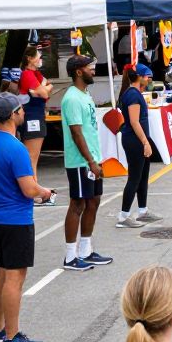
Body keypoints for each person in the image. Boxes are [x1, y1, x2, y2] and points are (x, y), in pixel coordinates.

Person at [0, 93, 55, 342]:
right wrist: (45, 192)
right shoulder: (16, 148)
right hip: (15, 218)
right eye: (21, 110)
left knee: (3, 272)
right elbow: (28, 189)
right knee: (15, 277)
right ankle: (12, 336)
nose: (24, 113)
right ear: (14, 114)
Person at [61, 55, 112, 272]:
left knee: (94, 201)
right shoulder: (72, 98)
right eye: (89, 67)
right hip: (80, 161)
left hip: (92, 158)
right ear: (78, 72)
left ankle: (86, 250)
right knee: (78, 204)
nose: (93, 69)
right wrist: (90, 161)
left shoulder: (85, 94)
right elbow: (76, 132)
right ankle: (70, 256)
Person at [116, 65, 161, 229]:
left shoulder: (132, 93)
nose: (149, 79)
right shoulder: (133, 95)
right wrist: (145, 142)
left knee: (142, 177)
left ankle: (142, 210)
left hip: (136, 139)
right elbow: (134, 121)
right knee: (134, 177)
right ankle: (123, 216)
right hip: (134, 141)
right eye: (147, 76)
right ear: (139, 77)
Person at [17, 45, 53, 199]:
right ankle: (32, 190)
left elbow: (48, 87)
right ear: (29, 59)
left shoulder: (36, 74)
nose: (41, 59)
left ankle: (34, 186)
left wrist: (43, 88)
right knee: (31, 155)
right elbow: (45, 91)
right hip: (32, 117)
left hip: (37, 116)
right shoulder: (26, 74)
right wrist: (43, 89)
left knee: (33, 155)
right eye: (38, 56)